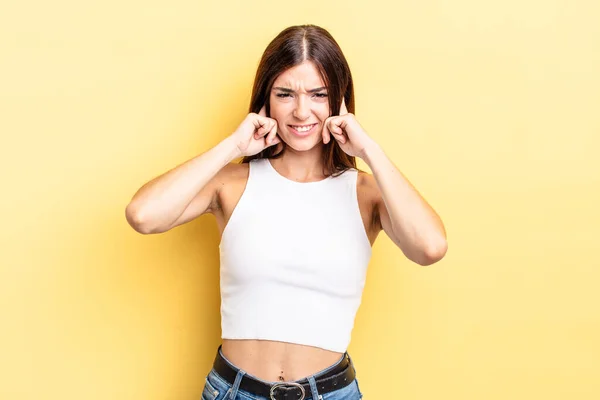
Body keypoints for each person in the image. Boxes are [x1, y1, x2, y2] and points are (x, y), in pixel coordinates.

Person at [125, 24, 447, 400]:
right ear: (266, 100)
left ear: (339, 101)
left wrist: (369, 150)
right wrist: (232, 146)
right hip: (234, 392)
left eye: (317, 94)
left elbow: (430, 247)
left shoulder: (366, 193)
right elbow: (143, 215)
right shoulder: (230, 183)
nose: (300, 110)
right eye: (285, 94)